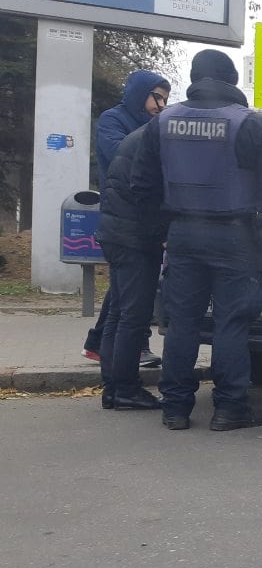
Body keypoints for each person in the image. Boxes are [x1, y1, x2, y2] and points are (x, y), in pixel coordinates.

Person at [131, 49, 262, 432]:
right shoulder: (251, 125)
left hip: (183, 235)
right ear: (232, 81)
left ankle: (174, 409)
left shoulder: (162, 122)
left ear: (194, 77)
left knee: (182, 323)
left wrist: (163, 234)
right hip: (235, 235)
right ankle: (230, 409)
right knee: (232, 323)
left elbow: (142, 184)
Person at [83, 70, 171, 365]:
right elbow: (124, 155)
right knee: (130, 299)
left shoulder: (151, 125)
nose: (160, 105)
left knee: (124, 294)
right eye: (156, 96)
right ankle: (124, 362)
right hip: (124, 216)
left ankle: (102, 348)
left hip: (139, 218)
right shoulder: (113, 120)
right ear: (139, 93)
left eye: (165, 99)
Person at [95, 124, 167, 411]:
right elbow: (146, 191)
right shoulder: (153, 140)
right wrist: (161, 233)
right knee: (134, 317)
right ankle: (126, 388)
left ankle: (112, 387)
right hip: (134, 239)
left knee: (117, 314)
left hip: (115, 234)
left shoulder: (134, 138)